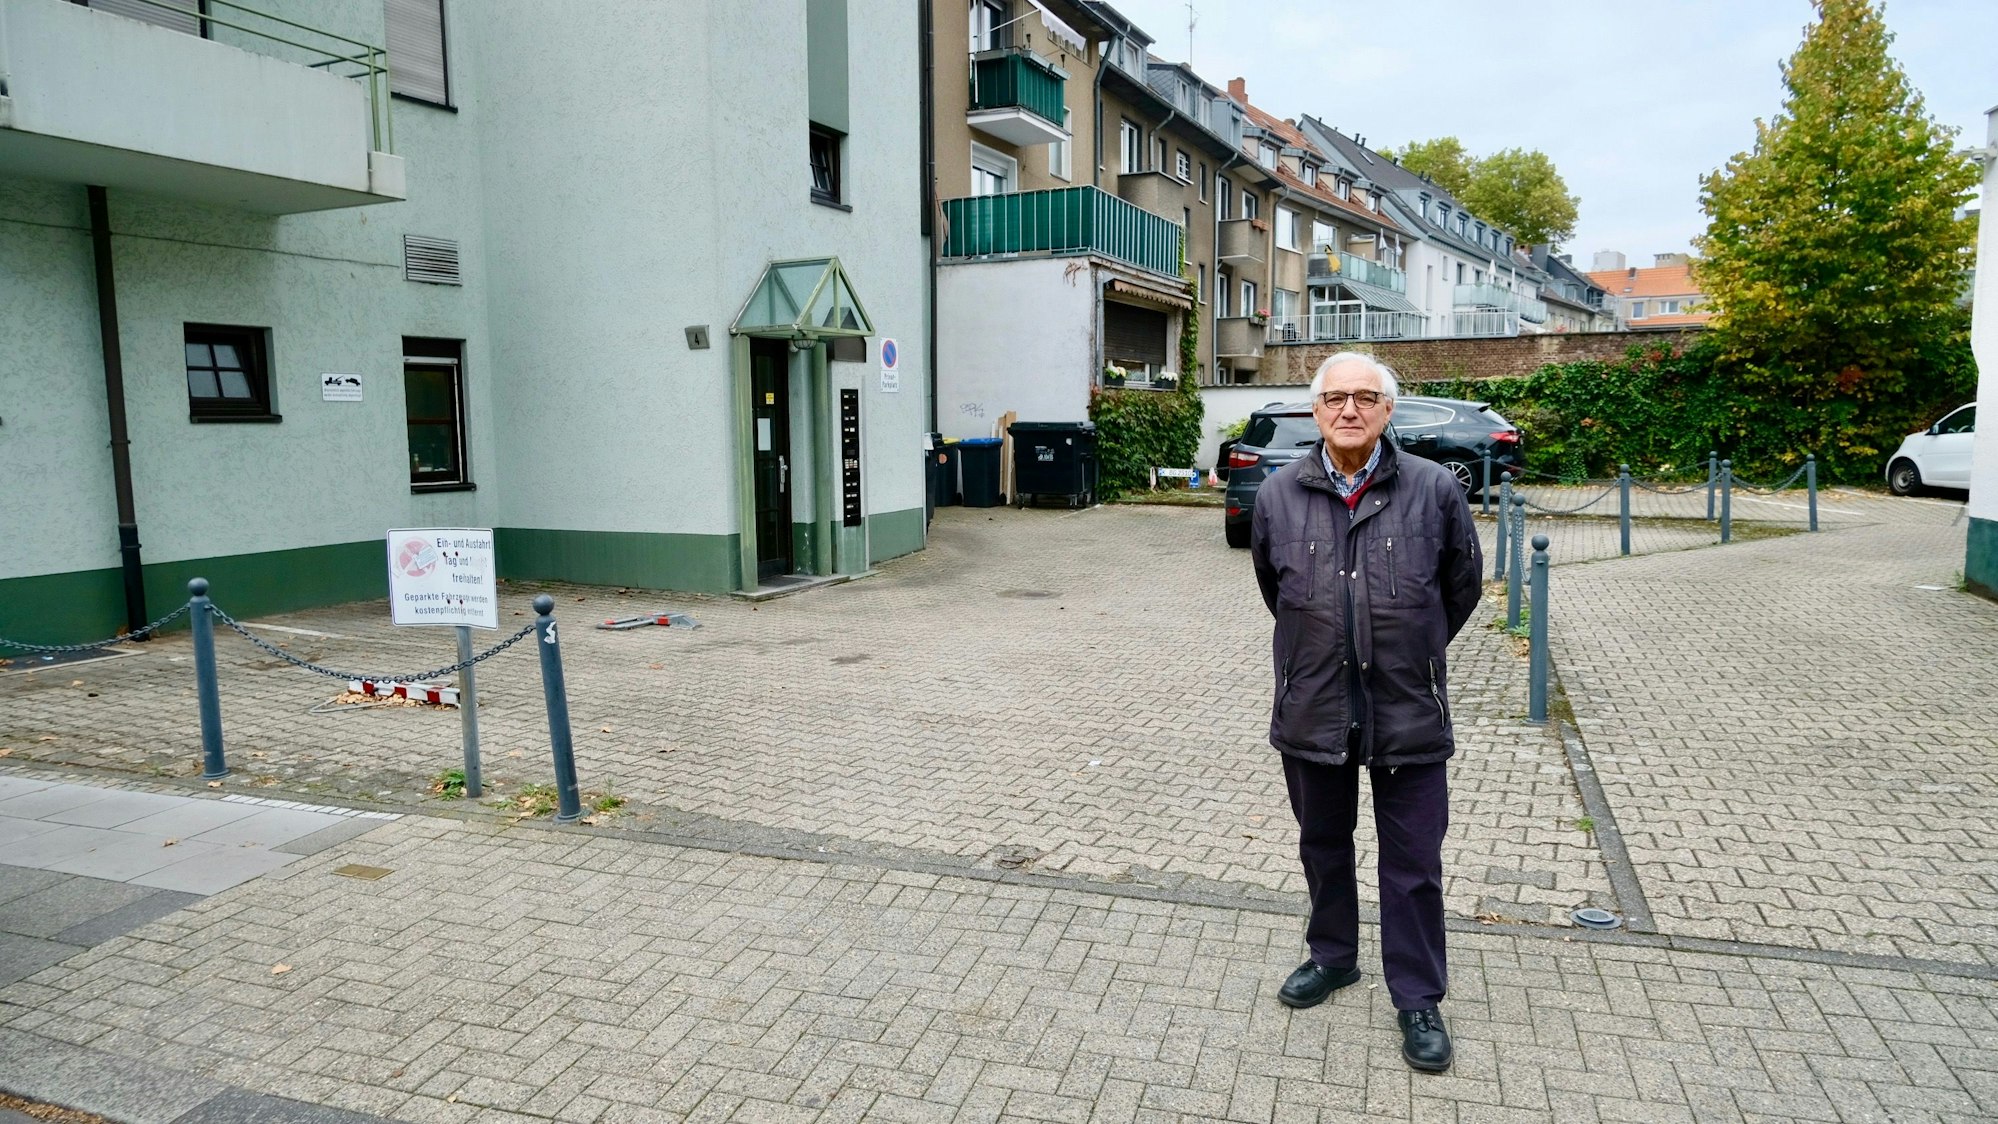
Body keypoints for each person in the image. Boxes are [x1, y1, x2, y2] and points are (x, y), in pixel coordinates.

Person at [1249, 352, 1483, 1073]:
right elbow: (1273, 587)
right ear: (1315, 410)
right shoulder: (1278, 494)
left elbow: (1462, 588)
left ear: (1389, 410)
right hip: (1314, 706)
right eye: (1335, 398)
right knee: (1322, 846)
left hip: (1407, 709)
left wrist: (1408, 647)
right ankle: (1334, 956)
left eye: (1365, 398)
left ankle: (1416, 995)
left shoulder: (1434, 489)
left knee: (1412, 864)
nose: (1349, 410)